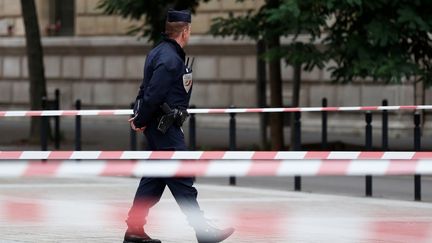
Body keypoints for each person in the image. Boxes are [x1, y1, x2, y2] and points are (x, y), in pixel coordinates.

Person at [125, 9, 234, 243]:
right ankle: (202, 230)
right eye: (190, 30)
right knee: (182, 178)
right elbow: (153, 94)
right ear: (185, 31)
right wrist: (141, 119)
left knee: (153, 180)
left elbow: (145, 89)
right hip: (165, 129)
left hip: (161, 127)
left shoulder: (159, 52)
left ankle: (134, 230)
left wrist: (140, 117)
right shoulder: (170, 59)